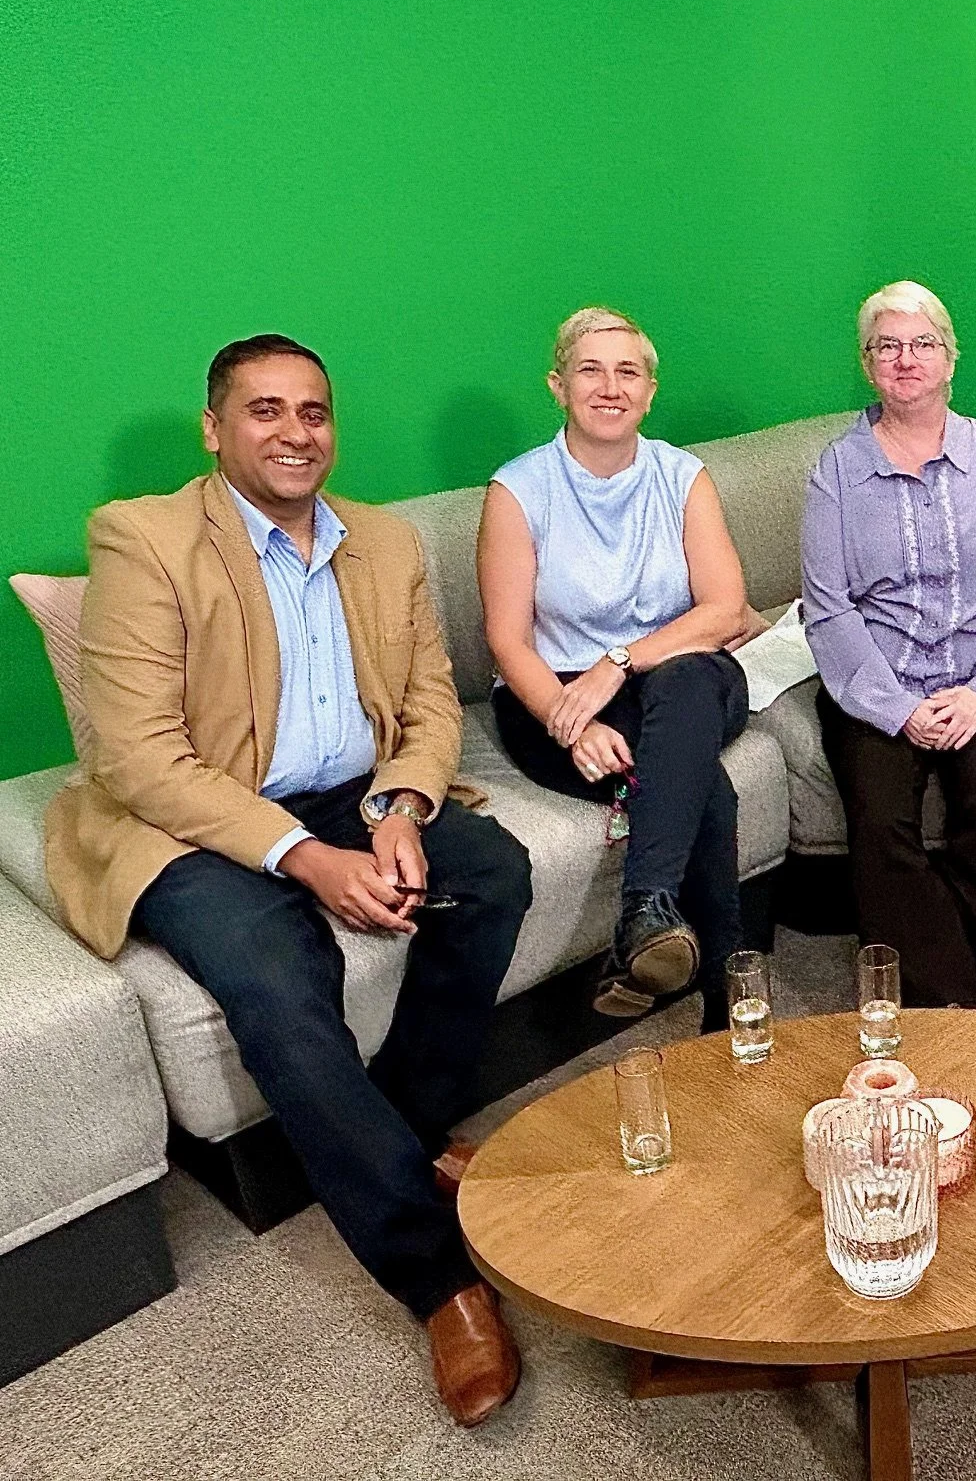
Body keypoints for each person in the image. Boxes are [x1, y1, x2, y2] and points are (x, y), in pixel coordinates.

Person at [44, 335, 535, 1426]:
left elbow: (428, 704)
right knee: (277, 969)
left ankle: (396, 1131)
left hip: (351, 790)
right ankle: (436, 1278)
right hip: (193, 816)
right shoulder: (145, 538)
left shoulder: (386, 539)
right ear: (215, 429)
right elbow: (137, 756)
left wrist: (400, 808)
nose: (295, 432)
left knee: (491, 872)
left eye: (312, 411)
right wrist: (306, 859)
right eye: (264, 412)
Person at [480, 307, 754, 1024]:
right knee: (708, 793)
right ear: (558, 386)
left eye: (627, 371)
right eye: (590, 371)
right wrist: (571, 725)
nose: (610, 387)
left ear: (650, 390)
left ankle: (640, 911)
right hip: (554, 698)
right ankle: (730, 1003)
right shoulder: (518, 490)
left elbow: (724, 609)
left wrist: (618, 663)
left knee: (687, 676)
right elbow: (508, 642)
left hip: (682, 677)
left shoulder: (682, 477)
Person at [801, 281, 976, 1006]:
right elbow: (827, 612)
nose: (906, 359)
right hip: (879, 682)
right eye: (888, 346)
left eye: (923, 344)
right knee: (880, 818)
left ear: (951, 359)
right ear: (867, 363)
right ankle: (955, 1000)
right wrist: (897, 710)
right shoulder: (837, 471)